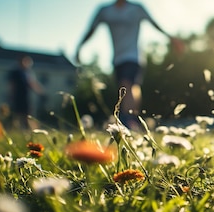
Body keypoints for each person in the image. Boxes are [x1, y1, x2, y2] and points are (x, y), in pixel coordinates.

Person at [75, 0, 182, 129]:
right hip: (117, 59)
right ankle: (134, 120)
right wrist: (80, 46)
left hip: (134, 56)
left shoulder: (137, 8)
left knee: (125, 85)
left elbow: (154, 23)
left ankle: (127, 121)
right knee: (132, 87)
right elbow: (91, 29)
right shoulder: (105, 11)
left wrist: (171, 38)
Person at [7, 55, 43, 129]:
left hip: (26, 96)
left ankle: (32, 129)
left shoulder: (28, 73)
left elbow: (32, 83)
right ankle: (16, 129)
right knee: (18, 114)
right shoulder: (15, 72)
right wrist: (11, 95)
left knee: (28, 114)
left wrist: (40, 91)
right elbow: (12, 85)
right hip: (17, 96)